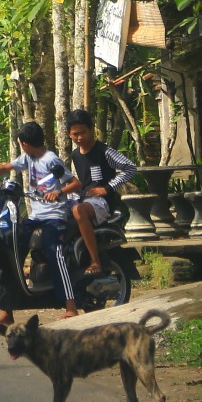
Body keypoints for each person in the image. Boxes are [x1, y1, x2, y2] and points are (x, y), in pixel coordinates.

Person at [0, 120, 80, 328]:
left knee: (54, 252)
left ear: (25, 143)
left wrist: (58, 192)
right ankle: (7, 311)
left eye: (21, 143)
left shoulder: (51, 160)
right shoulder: (28, 157)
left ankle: (71, 306)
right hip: (35, 216)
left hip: (54, 216)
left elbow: (75, 183)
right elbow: (6, 167)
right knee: (9, 251)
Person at [63, 107, 135, 277]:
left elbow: (130, 168)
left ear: (91, 130)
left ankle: (95, 260)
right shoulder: (75, 155)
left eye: (83, 132)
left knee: (78, 210)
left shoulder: (104, 151)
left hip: (102, 203)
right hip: (85, 198)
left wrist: (108, 188)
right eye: (75, 134)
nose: (79, 137)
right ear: (69, 134)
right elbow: (82, 182)